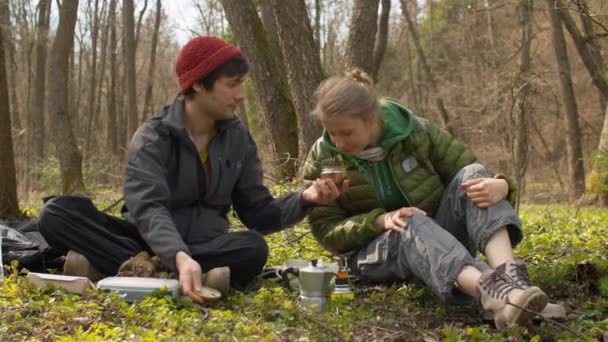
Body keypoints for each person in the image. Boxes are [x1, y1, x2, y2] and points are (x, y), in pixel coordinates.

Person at [38, 36, 346, 303]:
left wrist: (305, 198)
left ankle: (128, 269)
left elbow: (258, 213)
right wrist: (178, 256)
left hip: (207, 245)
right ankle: (177, 272)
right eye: (232, 84)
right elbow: (148, 209)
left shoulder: (239, 139)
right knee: (57, 213)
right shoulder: (152, 138)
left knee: (253, 247)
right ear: (198, 84)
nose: (241, 95)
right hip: (144, 238)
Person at [302, 69, 565, 330]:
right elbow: (327, 232)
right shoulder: (324, 158)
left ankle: (513, 283)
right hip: (374, 256)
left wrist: (502, 184)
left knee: (474, 177)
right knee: (410, 219)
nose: (338, 142)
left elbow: (469, 171)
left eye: (346, 133)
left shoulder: (416, 131)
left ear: (371, 118)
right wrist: (378, 221)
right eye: (332, 133)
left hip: (439, 240)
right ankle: (501, 297)